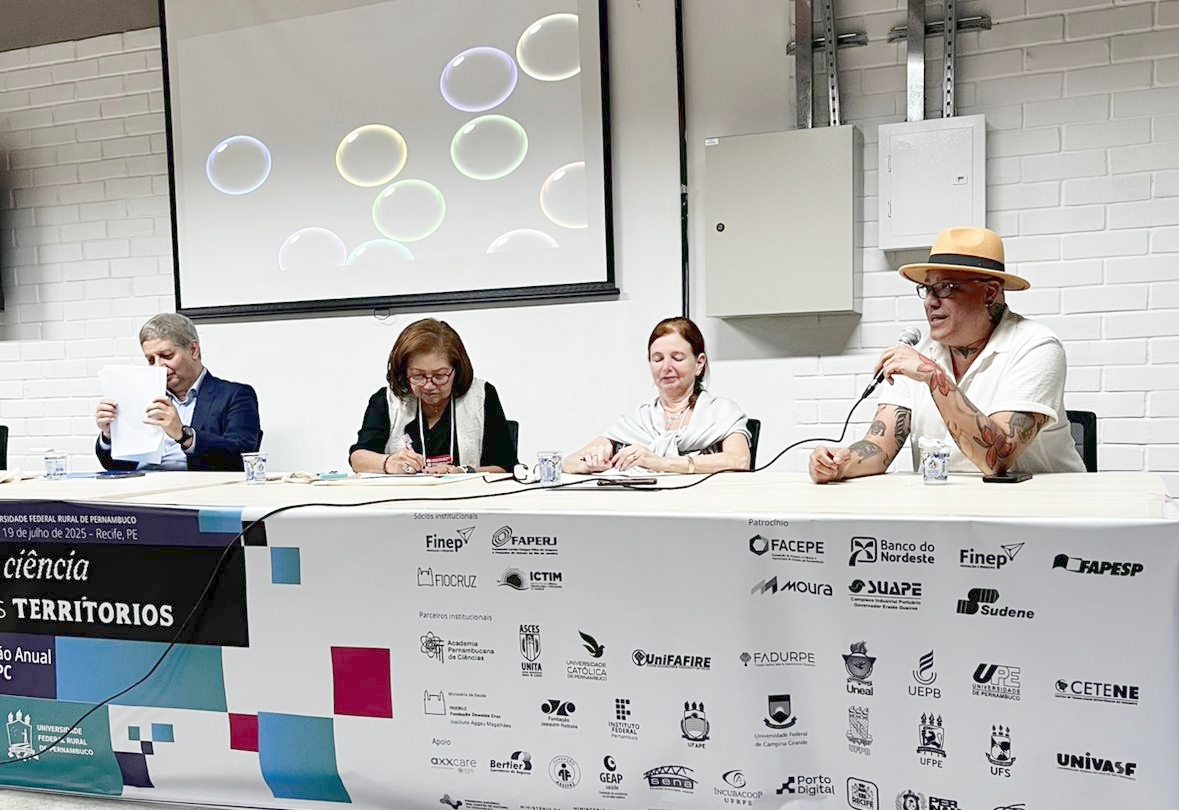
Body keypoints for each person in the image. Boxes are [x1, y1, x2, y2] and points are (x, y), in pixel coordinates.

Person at [809, 226, 1085, 483]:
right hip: (949, 507)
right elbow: (879, 446)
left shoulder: (1036, 346)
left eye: (945, 288)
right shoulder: (918, 355)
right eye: (927, 289)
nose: (930, 302)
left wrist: (933, 377)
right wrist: (840, 462)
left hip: (1041, 508)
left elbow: (997, 460)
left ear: (989, 293)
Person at [564, 316, 751, 474]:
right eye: (657, 359)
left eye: (677, 358)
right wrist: (592, 463)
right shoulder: (638, 420)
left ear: (699, 363)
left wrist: (661, 463)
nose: (666, 367)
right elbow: (569, 462)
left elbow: (739, 460)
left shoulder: (721, 412)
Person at [95, 313, 262, 471]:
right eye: (151, 360)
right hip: (139, 483)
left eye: (167, 355)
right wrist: (109, 436)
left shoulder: (235, 395)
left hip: (193, 486)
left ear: (193, 350)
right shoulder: (142, 396)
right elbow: (114, 465)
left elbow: (242, 455)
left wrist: (184, 435)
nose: (158, 366)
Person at [349, 318, 517, 474]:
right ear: (404, 372)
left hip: (465, 494)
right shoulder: (387, 400)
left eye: (440, 375)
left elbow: (506, 467)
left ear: (457, 370)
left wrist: (463, 472)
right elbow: (357, 458)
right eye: (418, 376)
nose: (429, 386)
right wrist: (388, 463)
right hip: (403, 495)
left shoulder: (482, 396)